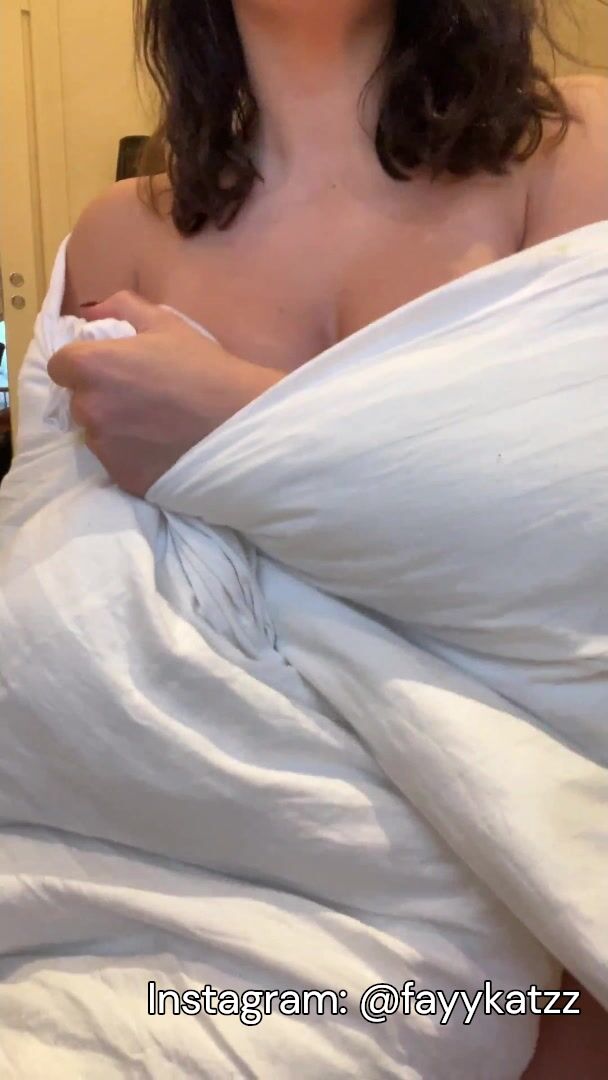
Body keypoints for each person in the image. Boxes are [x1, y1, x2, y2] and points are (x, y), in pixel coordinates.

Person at [46, 1, 607, 1074]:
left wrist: (234, 417)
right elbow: (65, 623)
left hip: (500, 911)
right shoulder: (115, 236)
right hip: (156, 903)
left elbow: (573, 566)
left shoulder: (574, 156)